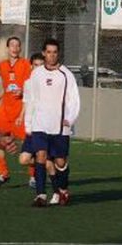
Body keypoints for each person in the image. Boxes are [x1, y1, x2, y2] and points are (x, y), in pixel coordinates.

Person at [21, 38, 79, 207]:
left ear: (58, 53)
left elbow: (74, 99)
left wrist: (70, 118)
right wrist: (28, 123)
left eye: (55, 52)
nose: (51, 55)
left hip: (60, 126)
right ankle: (40, 195)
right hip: (40, 124)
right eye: (48, 52)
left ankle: (62, 189)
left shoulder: (66, 74)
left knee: (60, 161)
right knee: (40, 155)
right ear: (44, 53)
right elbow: (31, 99)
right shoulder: (37, 73)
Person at [0, 36, 33, 187]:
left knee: (28, 144)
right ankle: (3, 173)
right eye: (12, 45)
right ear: (7, 48)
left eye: (17, 45)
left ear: (20, 48)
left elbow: (31, 85)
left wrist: (23, 91)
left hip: (21, 111)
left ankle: (33, 177)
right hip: (5, 111)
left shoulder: (25, 64)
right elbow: (5, 86)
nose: (14, 48)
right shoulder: (2, 65)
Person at [17, 52, 49, 191]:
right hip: (31, 127)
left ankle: (45, 181)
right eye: (35, 65)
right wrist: (21, 115)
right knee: (23, 159)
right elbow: (26, 102)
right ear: (31, 66)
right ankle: (45, 161)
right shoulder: (28, 84)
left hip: (44, 127)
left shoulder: (49, 83)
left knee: (43, 157)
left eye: (41, 65)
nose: (38, 68)